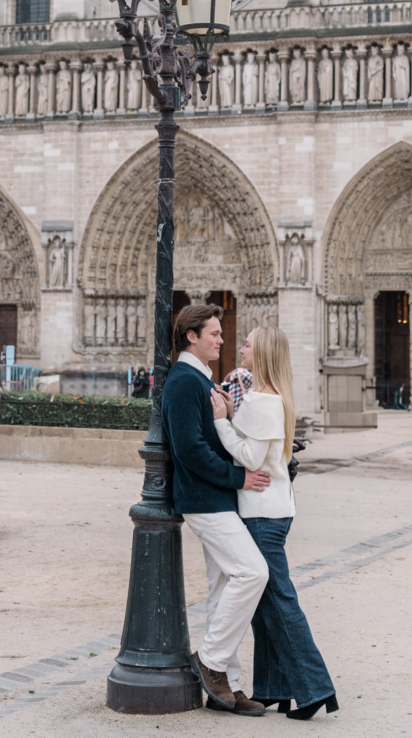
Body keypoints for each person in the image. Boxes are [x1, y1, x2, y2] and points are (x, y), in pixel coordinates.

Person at [213, 328, 338, 721]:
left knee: (280, 604)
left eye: (248, 343)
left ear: (262, 353)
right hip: (273, 509)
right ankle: (274, 689)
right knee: (265, 604)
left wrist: (221, 422)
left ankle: (315, 690)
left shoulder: (260, 400)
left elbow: (249, 456)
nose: (242, 348)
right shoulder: (272, 398)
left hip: (262, 513)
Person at [160, 302, 270, 715]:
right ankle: (209, 660)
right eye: (215, 334)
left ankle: (229, 685)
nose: (222, 341)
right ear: (192, 336)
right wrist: (238, 478)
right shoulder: (183, 381)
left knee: (224, 589)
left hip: (215, 497)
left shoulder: (198, 379)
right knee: (252, 572)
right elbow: (189, 449)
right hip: (204, 500)